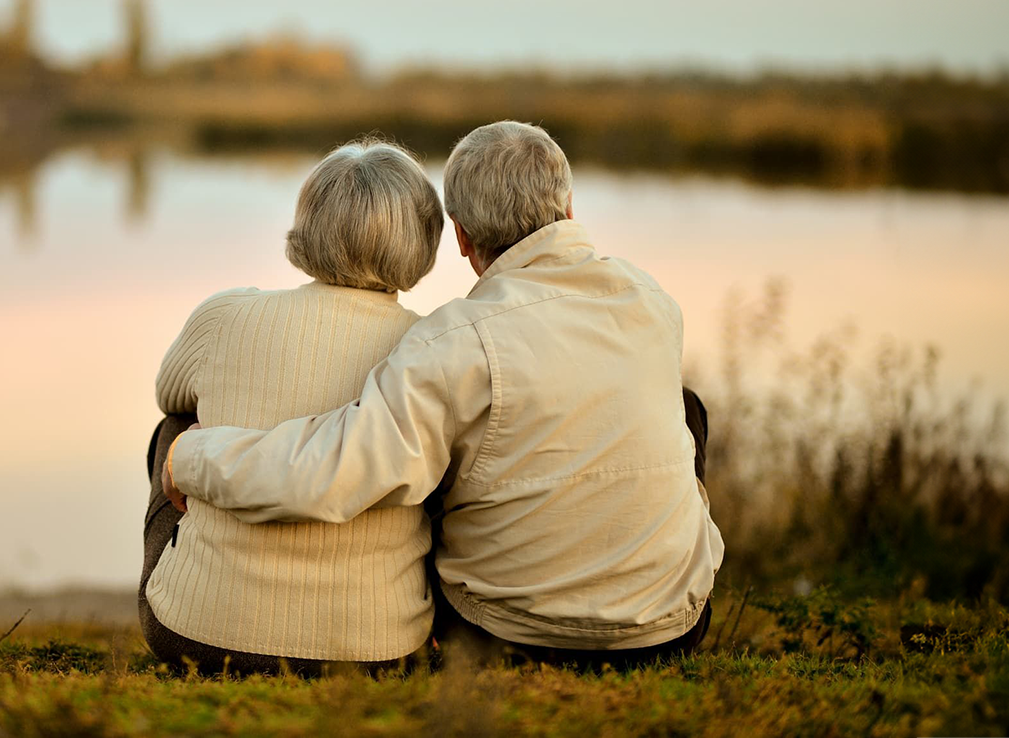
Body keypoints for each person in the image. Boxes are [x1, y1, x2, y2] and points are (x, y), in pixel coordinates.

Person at [164, 121, 724, 669]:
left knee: (434, 452)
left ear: (459, 236)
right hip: (670, 628)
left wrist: (189, 454)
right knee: (685, 407)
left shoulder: (455, 341)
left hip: (507, 634)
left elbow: (337, 469)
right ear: (570, 207)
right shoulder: (654, 302)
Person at [140, 139, 444, 676]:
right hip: (379, 647)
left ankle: (202, 580)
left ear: (307, 225)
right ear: (424, 238)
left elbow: (170, 394)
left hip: (197, 635)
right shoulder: (432, 347)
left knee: (176, 428)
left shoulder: (225, 315)